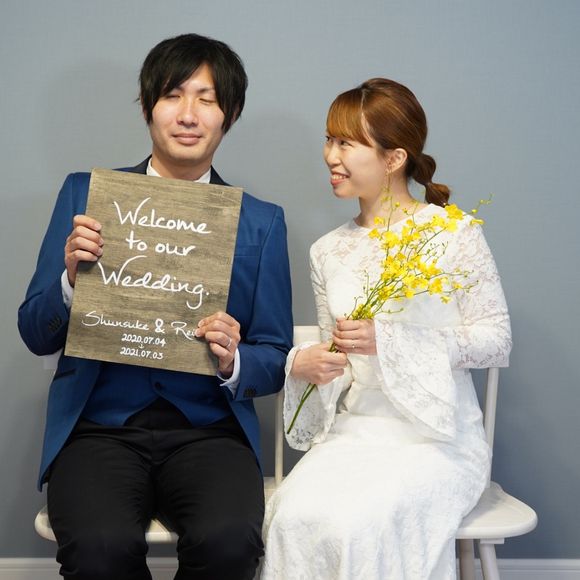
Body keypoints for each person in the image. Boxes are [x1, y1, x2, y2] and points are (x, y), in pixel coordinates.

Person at [18, 33, 292, 580]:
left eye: (207, 99)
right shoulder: (87, 195)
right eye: (172, 95)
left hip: (210, 432)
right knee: (98, 549)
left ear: (229, 114)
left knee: (231, 543)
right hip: (98, 428)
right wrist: (70, 280)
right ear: (147, 106)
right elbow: (34, 331)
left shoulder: (260, 221)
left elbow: (275, 354)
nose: (188, 114)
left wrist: (234, 358)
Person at [261, 78, 512, 579]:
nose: (331, 156)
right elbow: (337, 358)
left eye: (346, 143)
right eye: (329, 139)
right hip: (355, 433)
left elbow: (496, 340)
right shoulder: (327, 251)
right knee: (292, 516)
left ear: (394, 158)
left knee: (359, 525)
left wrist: (391, 340)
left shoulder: (452, 233)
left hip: (438, 440)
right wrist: (313, 363)